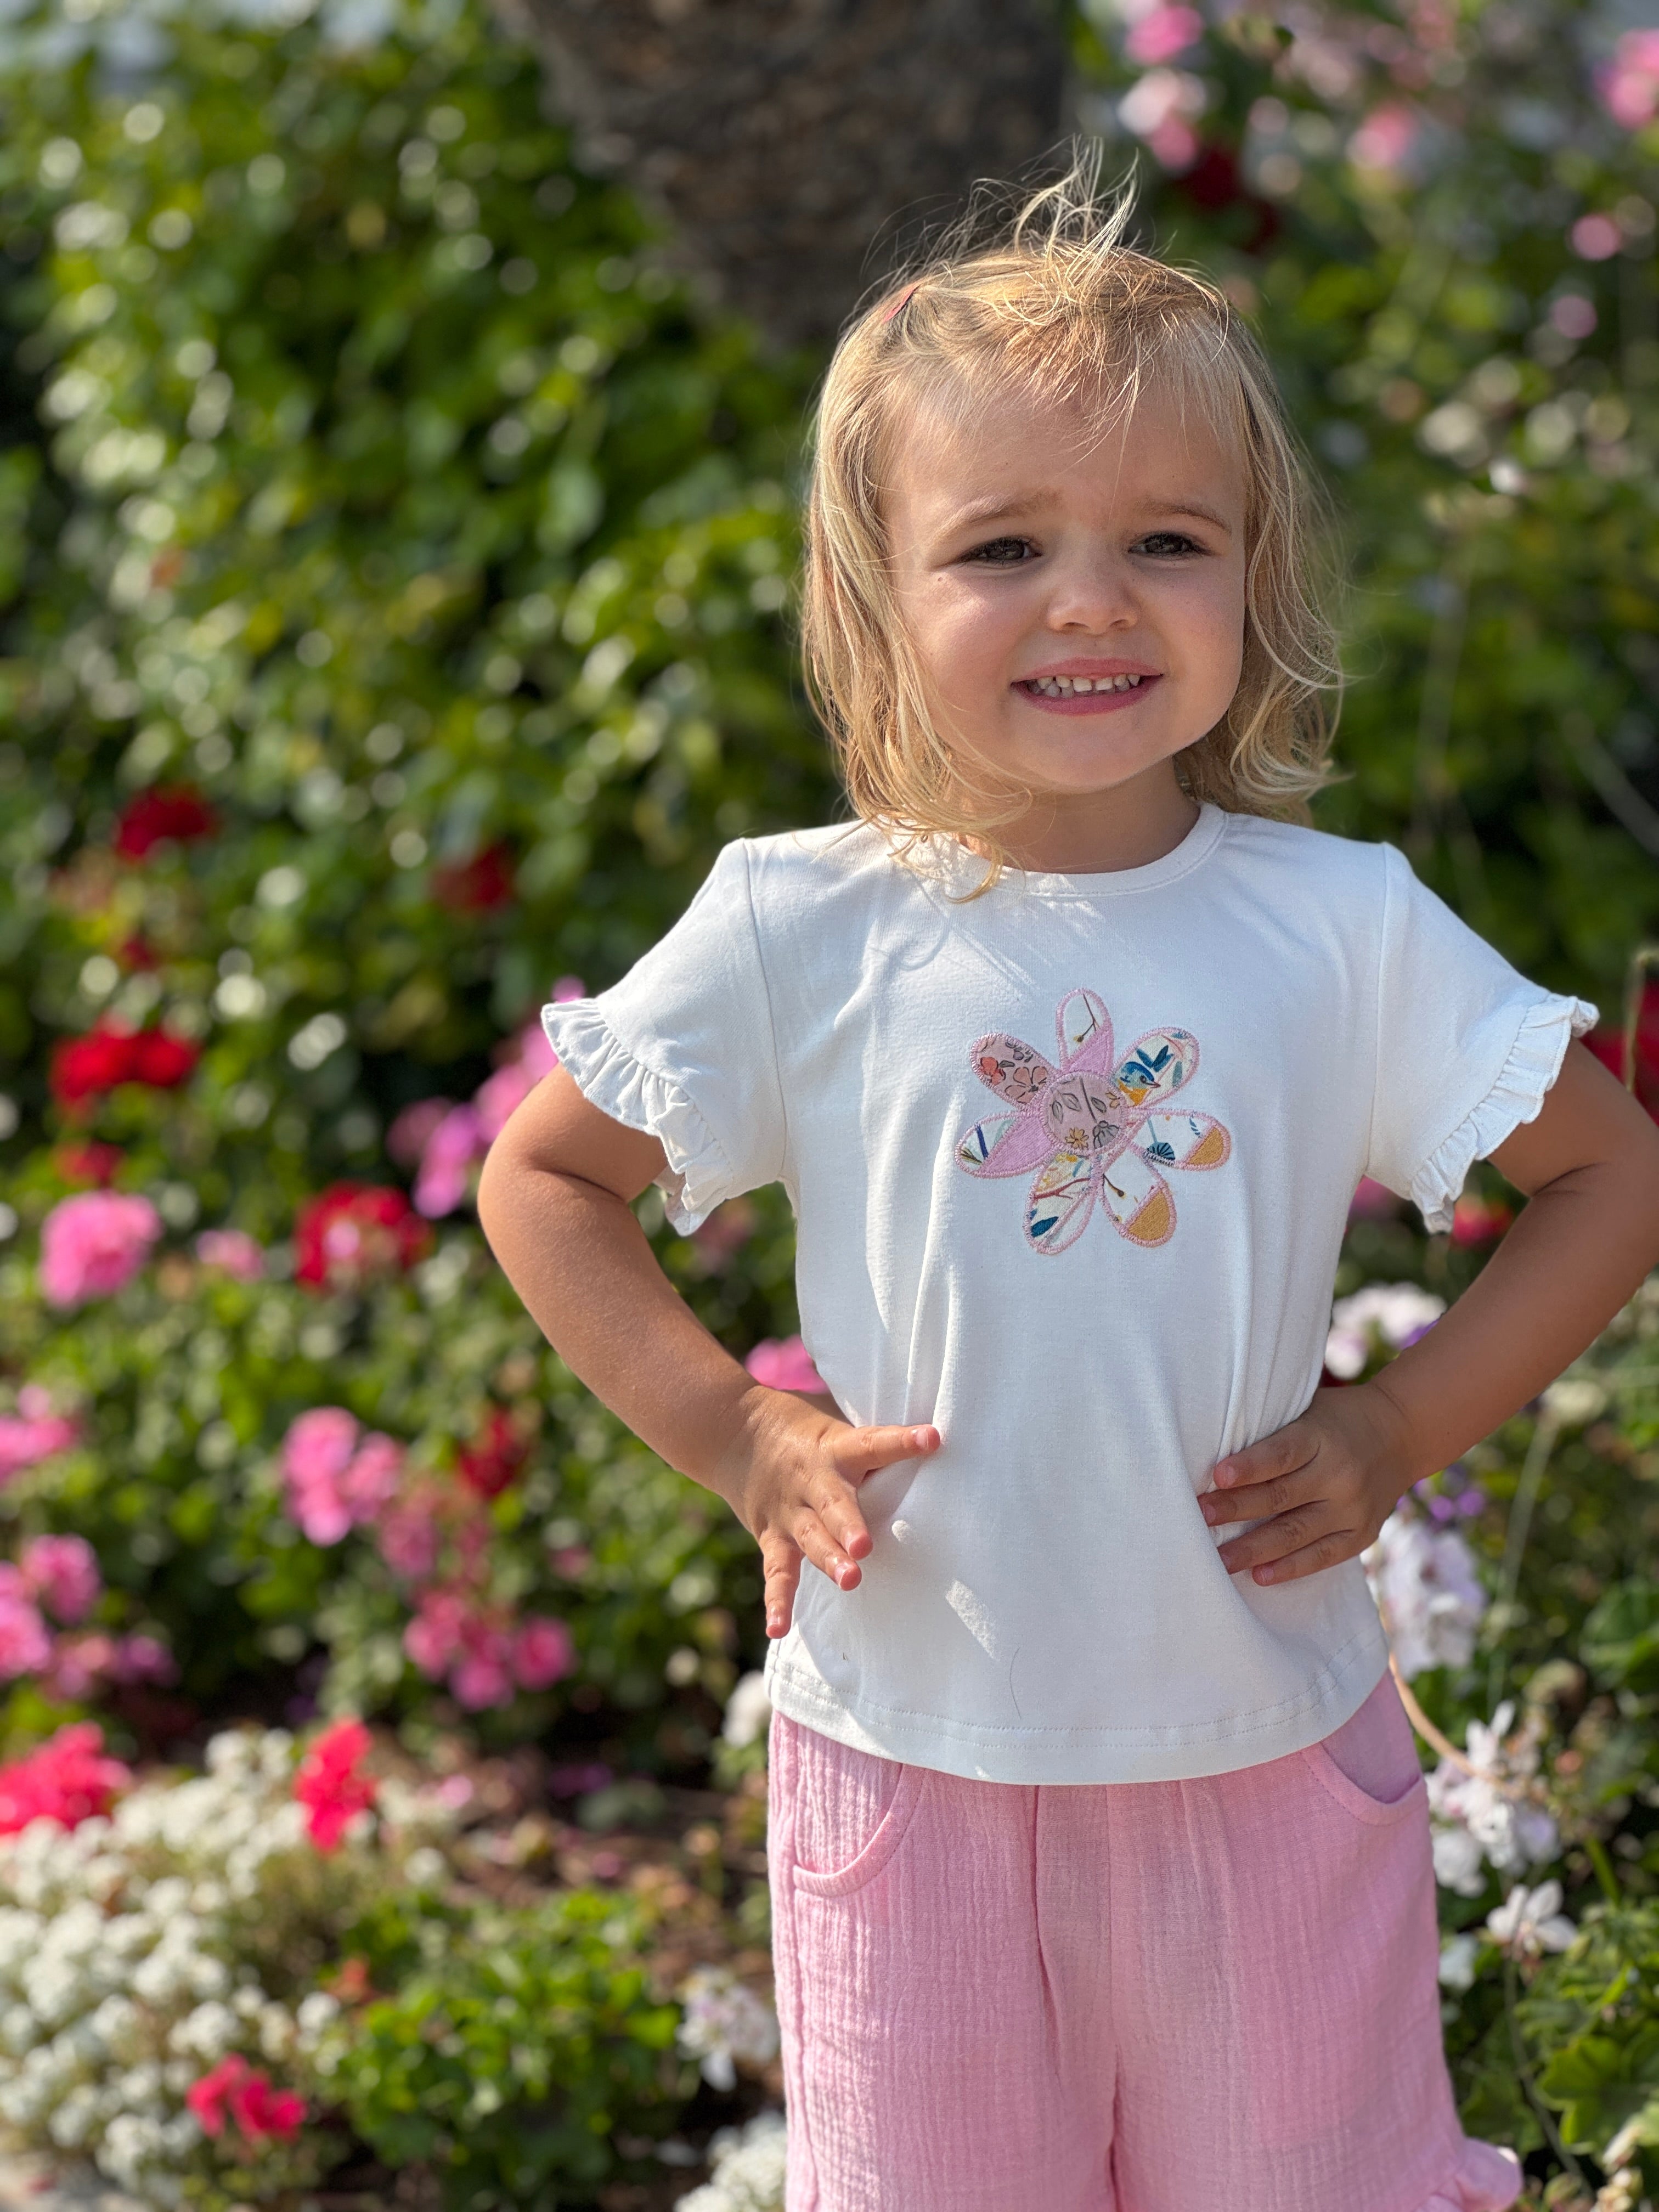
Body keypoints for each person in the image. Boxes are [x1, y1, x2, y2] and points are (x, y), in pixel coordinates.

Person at [478, 166, 1659, 2212]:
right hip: (913, 1768)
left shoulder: (1341, 927)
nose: (1093, 599)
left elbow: (1613, 1175)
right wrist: (741, 1436)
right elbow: (545, 1180)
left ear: (1253, 573)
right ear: (878, 588)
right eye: (1004, 544)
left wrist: (1397, 1427)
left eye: (1166, 541)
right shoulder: (799, 927)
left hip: (1267, 1756)